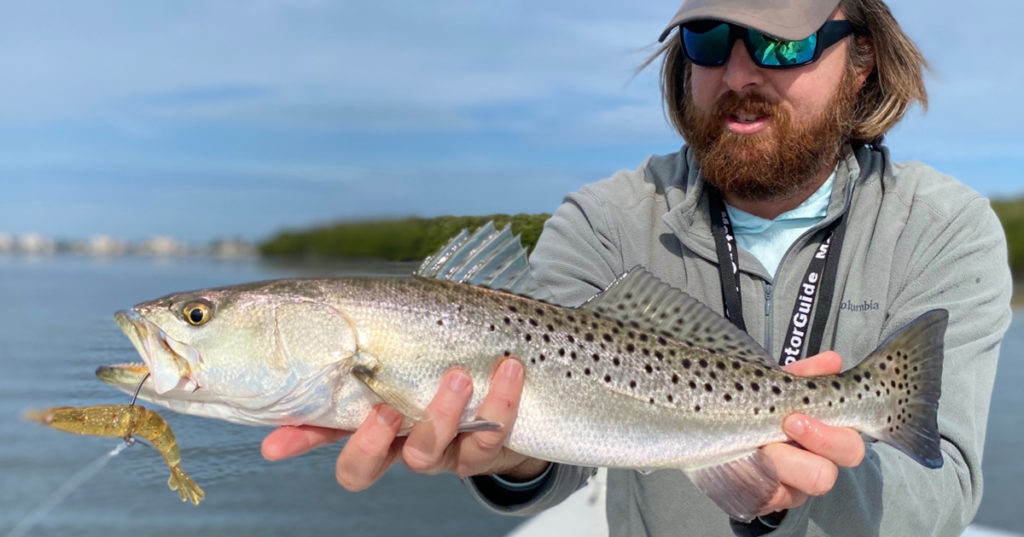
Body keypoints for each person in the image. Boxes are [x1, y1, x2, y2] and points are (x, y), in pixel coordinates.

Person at [261, 0, 1013, 535]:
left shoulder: (947, 227)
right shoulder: (604, 218)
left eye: (784, 44)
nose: (740, 72)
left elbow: (943, 484)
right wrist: (509, 455)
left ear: (861, 61)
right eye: (711, 40)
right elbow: (547, 449)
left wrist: (805, 483)